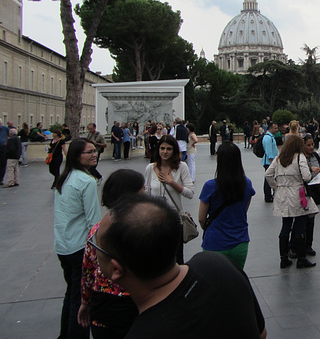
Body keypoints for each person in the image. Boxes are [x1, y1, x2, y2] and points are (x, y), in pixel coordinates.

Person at [94, 194, 267, 339]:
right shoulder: (217, 264)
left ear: (116, 268)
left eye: (96, 246)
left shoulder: (143, 332)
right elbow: (262, 333)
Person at [78, 169, 144, 338]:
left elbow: (88, 271)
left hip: (103, 303)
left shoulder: (97, 230)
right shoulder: (144, 230)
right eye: (142, 189)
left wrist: (85, 302)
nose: (145, 192)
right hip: (137, 300)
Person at [54, 138, 102, 339]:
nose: (94, 155)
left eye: (95, 151)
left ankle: (64, 334)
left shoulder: (64, 178)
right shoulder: (87, 181)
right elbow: (94, 221)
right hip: (80, 247)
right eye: (89, 152)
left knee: (71, 294)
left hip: (63, 246)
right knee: (81, 299)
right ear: (77, 156)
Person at [198, 142, 255, 269]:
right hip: (240, 241)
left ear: (219, 159)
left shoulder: (210, 186)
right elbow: (243, 210)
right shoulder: (247, 184)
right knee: (235, 280)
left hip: (215, 241)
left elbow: (201, 218)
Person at [265, 135, 318, 269]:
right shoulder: (299, 158)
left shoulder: (279, 159)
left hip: (282, 193)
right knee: (300, 226)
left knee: (285, 226)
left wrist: (276, 186)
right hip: (297, 193)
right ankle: (301, 258)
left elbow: (268, 174)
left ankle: (284, 258)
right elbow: (306, 177)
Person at [144, 134, 194, 264]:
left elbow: (190, 193)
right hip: (155, 222)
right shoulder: (150, 168)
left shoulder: (181, 167)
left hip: (174, 221)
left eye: (169, 149)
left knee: (176, 259)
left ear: (174, 151)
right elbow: (146, 193)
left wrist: (172, 183)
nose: (165, 152)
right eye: (162, 148)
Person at [261, 122, 278, 203]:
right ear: (270, 128)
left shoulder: (270, 137)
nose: (277, 130)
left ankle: (269, 195)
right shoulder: (268, 138)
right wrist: (272, 162)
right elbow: (269, 151)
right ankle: (268, 196)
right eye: (275, 128)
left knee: (269, 178)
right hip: (269, 162)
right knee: (268, 179)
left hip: (271, 161)